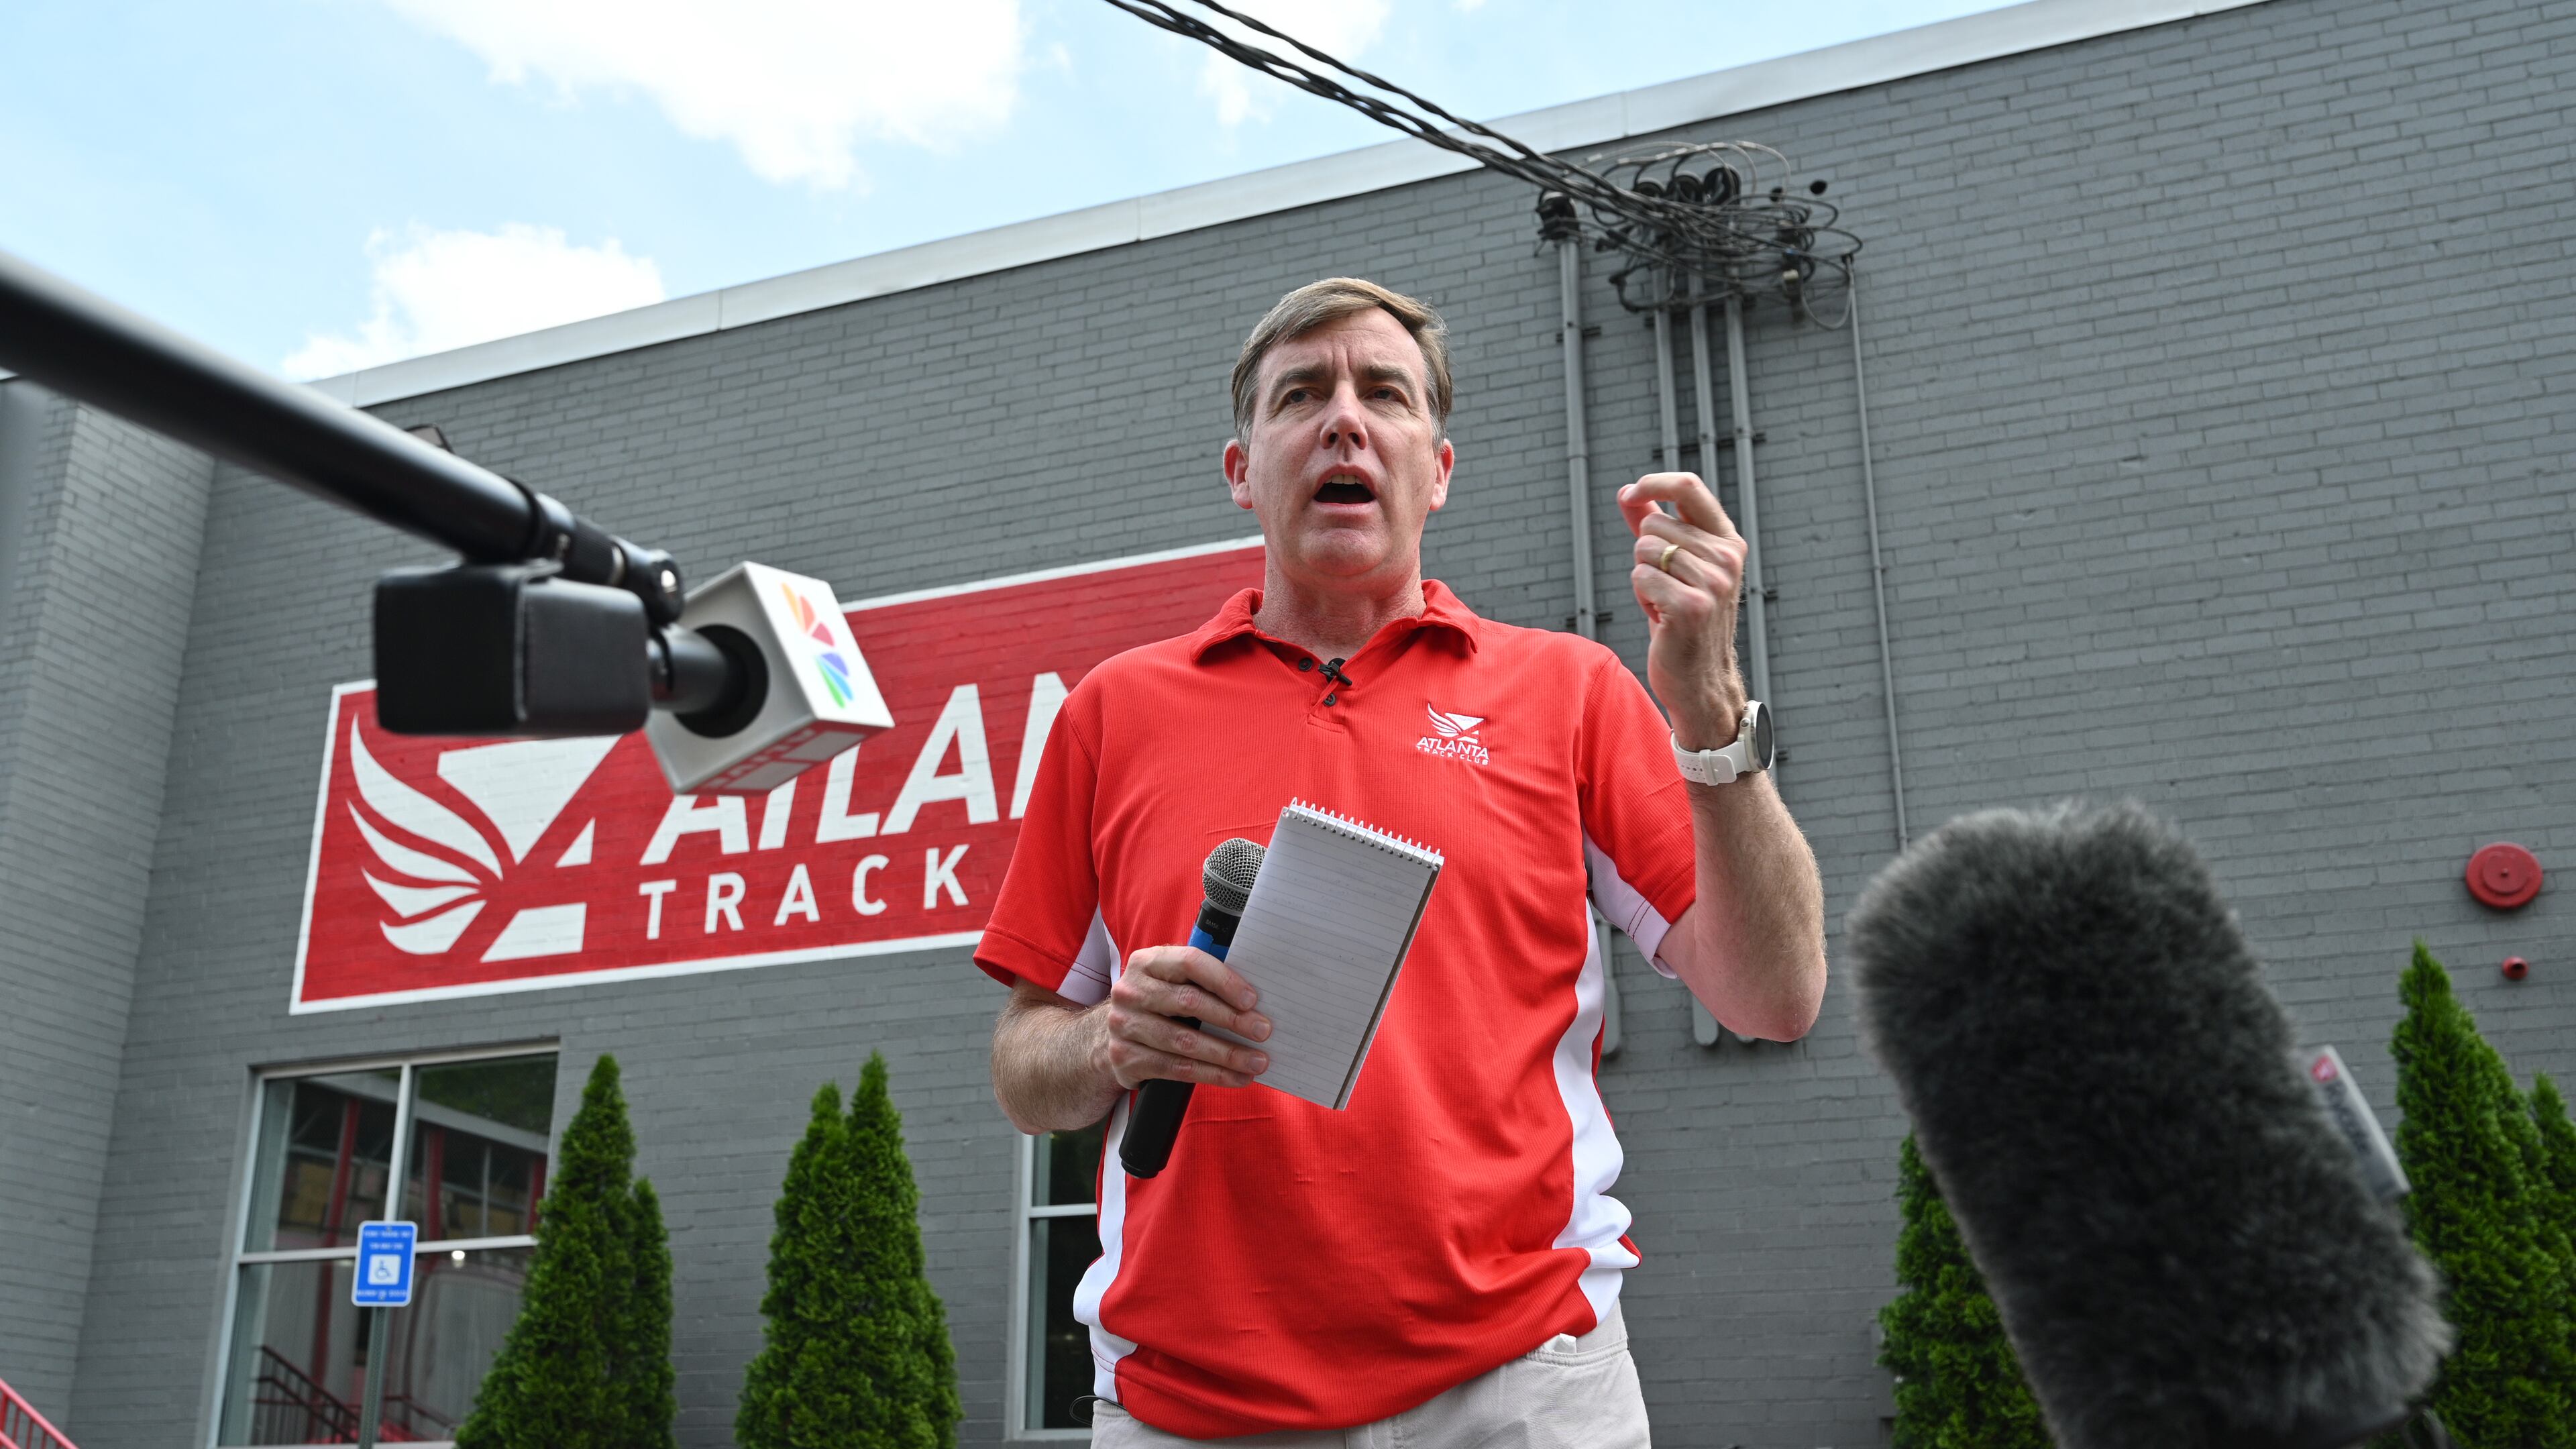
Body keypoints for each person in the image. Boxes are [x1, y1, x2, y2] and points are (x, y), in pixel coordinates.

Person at [977, 277, 1827, 1446]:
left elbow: (1776, 996)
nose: (1345, 420)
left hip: (1527, 1385)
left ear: (1437, 467)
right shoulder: (1112, 714)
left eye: (1384, 392)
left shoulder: (1570, 693)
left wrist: (1709, 706)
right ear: (1242, 469)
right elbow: (1027, 1070)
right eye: (1301, 397)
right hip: (1190, 1403)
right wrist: (1108, 1040)